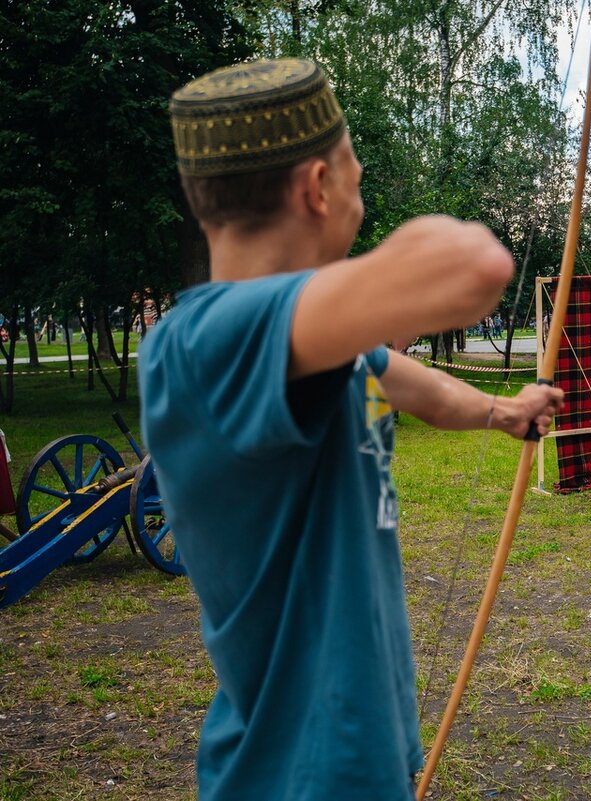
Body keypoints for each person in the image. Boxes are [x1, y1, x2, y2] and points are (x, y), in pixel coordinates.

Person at [139, 59, 563, 801]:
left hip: (350, 757)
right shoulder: (209, 343)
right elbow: (473, 265)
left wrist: (505, 411)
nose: (360, 198)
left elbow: (416, 385)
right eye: (356, 178)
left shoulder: (308, 349)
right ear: (317, 187)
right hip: (300, 777)